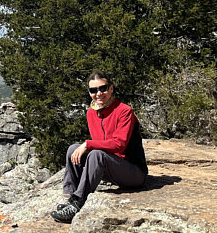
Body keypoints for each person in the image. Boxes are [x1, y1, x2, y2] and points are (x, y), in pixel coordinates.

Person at [51, 72, 148, 223]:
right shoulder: (91, 113)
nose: (98, 93)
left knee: (96, 154)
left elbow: (119, 145)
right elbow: (100, 144)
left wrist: (88, 144)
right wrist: (86, 146)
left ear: (111, 88)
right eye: (93, 90)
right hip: (111, 168)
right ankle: (72, 199)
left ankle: (78, 203)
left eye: (103, 88)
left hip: (133, 172)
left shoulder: (124, 111)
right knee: (73, 149)